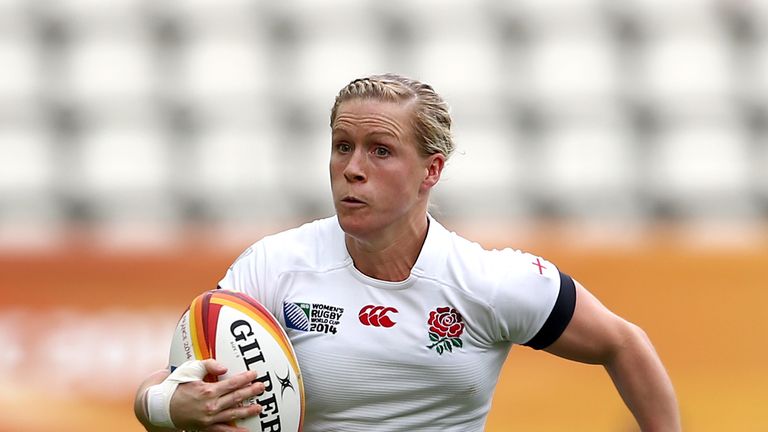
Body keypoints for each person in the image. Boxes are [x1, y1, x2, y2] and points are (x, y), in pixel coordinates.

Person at [134, 73, 681, 431]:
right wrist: (168, 405)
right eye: (342, 146)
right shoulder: (275, 266)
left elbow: (623, 343)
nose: (352, 168)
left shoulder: (486, 281)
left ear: (431, 170)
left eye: (380, 151)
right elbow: (171, 382)